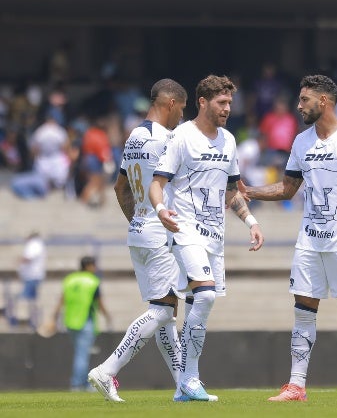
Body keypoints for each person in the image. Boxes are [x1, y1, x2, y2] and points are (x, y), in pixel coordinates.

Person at [242, 74, 337, 402]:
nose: (299, 105)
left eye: (304, 99)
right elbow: (288, 188)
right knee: (303, 312)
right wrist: (252, 191)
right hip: (309, 242)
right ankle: (296, 385)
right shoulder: (301, 141)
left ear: (323, 101)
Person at [149, 74, 264, 402]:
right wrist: (160, 209)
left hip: (215, 237)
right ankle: (191, 378)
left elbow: (232, 192)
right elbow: (157, 182)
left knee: (195, 302)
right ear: (202, 102)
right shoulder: (181, 137)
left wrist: (251, 221)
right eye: (221, 102)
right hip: (184, 230)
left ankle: (183, 387)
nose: (228, 108)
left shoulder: (228, 140)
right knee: (206, 296)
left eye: (230, 102)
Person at [87, 78, 191, 403]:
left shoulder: (133, 136)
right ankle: (107, 370)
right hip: (160, 231)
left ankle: (184, 385)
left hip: (139, 231)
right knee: (162, 310)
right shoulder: (169, 138)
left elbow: (120, 187)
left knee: (167, 310)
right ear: (171, 103)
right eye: (182, 109)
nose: (183, 117)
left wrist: (137, 221)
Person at [53, 256, 112, 392]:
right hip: (86, 321)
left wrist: (54, 316)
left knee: (79, 354)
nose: (95, 268)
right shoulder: (92, 281)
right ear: (89, 266)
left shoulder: (70, 279)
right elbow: (99, 303)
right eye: (94, 265)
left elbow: (62, 300)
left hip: (70, 322)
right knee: (82, 355)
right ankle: (78, 384)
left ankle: (80, 384)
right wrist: (107, 316)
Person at [14, 231, 47, 327]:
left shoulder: (34, 244)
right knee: (31, 299)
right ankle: (31, 320)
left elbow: (28, 257)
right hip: (33, 275)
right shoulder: (38, 244)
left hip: (32, 276)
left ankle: (27, 321)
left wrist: (18, 262)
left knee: (26, 298)